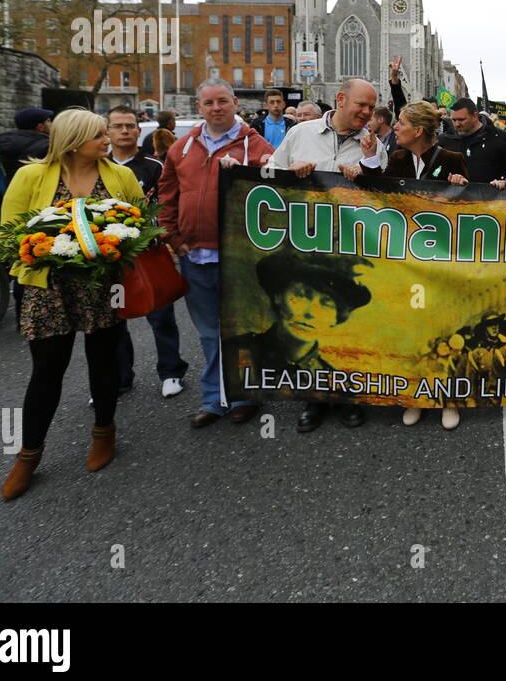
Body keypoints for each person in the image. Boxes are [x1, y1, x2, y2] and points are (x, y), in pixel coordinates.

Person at [0, 109, 145, 500]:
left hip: (104, 288)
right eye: (99, 134)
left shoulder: (121, 175)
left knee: (104, 362)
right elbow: (8, 233)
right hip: (49, 289)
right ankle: (28, 456)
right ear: (74, 139)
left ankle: (104, 433)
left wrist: (126, 243)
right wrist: (46, 252)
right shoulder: (30, 176)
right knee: (46, 371)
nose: (107, 139)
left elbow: (140, 224)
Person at [266, 78, 388, 432]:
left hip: (351, 251)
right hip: (307, 246)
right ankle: (314, 401)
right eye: (361, 106)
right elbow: (270, 178)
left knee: (343, 330)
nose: (367, 114)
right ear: (341, 100)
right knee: (309, 326)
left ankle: (349, 398)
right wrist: (292, 174)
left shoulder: (372, 143)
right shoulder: (301, 134)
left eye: (371, 107)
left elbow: (384, 195)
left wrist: (365, 170)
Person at [158, 80, 269, 428]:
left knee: (240, 329)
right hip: (195, 257)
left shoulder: (257, 145)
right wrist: (174, 239)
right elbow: (167, 196)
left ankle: (244, 394)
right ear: (199, 105)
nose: (216, 107)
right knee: (208, 333)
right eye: (209, 102)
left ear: (235, 103)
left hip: (239, 259)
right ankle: (213, 398)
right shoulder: (182, 147)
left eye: (223, 101)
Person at [222, 250, 371, 421]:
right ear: (278, 296)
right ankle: (312, 402)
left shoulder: (333, 376)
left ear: (337, 318)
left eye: (326, 303)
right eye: (301, 295)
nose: (311, 313)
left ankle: (319, 401)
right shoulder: (239, 352)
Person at [106, 105, 190, 396]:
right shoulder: (96, 166)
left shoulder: (154, 166)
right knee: (113, 318)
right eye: (118, 126)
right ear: (107, 131)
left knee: (160, 313)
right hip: (109, 256)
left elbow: (166, 205)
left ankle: (171, 371)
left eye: (130, 125)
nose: (125, 131)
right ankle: (120, 376)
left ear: (139, 131)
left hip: (149, 251)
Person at [382, 101, 467, 183]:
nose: (395, 127)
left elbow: (467, 195)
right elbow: (380, 192)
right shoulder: (397, 158)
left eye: (401, 123)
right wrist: (371, 156)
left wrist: (459, 186)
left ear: (418, 131)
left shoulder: (452, 161)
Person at [438, 98, 506, 183]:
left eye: (461, 120)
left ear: (475, 116)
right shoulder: (445, 140)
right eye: (454, 120)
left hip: (490, 195)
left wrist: (504, 182)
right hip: (452, 195)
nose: (457, 124)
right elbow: (435, 174)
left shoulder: (500, 138)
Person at [0, 108, 54, 181]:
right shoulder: (45, 146)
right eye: (48, 121)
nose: (52, 124)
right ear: (40, 127)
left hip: (13, 188)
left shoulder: (8, 141)